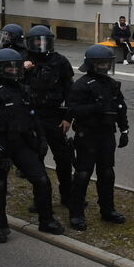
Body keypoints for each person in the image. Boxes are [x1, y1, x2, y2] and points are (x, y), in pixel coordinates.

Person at [0, 48, 65, 241]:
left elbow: (34, 118)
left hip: (22, 142)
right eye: (10, 68)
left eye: (17, 67)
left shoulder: (24, 90)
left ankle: (46, 219)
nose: (15, 71)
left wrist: (41, 139)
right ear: (0, 69)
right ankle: (0, 225)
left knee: (42, 180)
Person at [65, 45, 129, 229]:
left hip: (107, 134)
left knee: (107, 174)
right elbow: (73, 110)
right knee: (83, 174)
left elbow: (120, 108)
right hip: (87, 135)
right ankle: (76, 214)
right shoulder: (81, 85)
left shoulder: (112, 84)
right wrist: (95, 107)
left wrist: (124, 130)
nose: (104, 67)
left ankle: (107, 210)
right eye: (100, 63)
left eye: (107, 63)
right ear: (92, 64)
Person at [26, 25, 76, 206]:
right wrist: (23, 69)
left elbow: (71, 91)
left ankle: (67, 196)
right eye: (37, 40)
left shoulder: (60, 61)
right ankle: (39, 199)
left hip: (54, 116)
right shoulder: (24, 61)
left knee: (63, 158)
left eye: (44, 41)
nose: (41, 44)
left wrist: (68, 117)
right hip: (32, 117)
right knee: (36, 159)